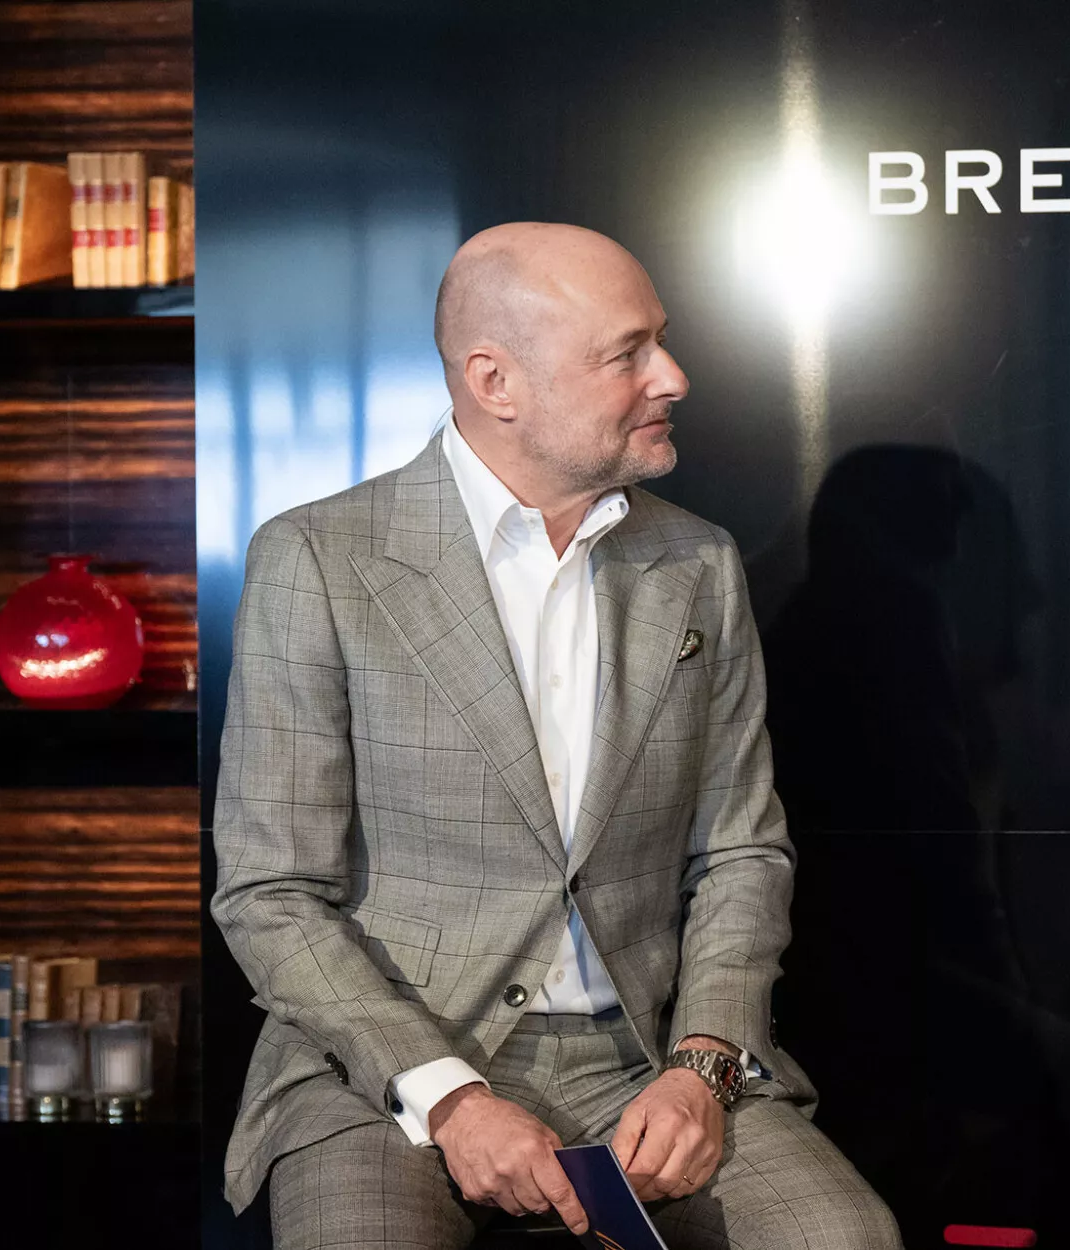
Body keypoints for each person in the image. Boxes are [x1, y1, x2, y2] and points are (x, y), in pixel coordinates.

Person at [211, 222, 899, 1250]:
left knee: (843, 1237)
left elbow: (742, 852)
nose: (672, 375)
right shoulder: (318, 558)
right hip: (383, 1067)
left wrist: (702, 1064)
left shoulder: (698, 562)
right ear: (496, 381)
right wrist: (449, 1097)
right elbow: (270, 891)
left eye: (659, 339)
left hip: (650, 1055)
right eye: (626, 353)